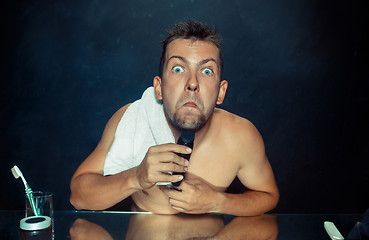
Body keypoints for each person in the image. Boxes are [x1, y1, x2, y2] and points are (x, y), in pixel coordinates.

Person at [69, 20, 279, 216]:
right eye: (178, 69)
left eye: (206, 71)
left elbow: (268, 196)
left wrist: (217, 202)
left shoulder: (241, 135)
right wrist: (136, 177)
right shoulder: (130, 120)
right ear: (159, 88)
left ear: (221, 92)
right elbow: (79, 197)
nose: (192, 83)